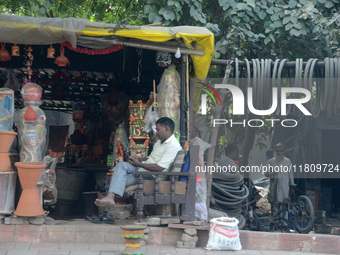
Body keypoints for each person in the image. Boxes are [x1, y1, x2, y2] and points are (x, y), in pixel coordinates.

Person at [95, 117, 182, 207]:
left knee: (117, 179)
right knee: (121, 165)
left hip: (152, 176)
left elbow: (159, 167)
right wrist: (138, 160)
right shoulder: (159, 143)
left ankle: (111, 198)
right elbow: (151, 159)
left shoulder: (173, 146)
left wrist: (139, 164)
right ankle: (110, 198)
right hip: (143, 170)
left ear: (167, 129)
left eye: (158, 130)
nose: (156, 133)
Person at [265, 143, 295, 214]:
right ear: (274, 151)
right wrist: (272, 173)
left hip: (285, 187)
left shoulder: (287, 161)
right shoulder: (270, 161)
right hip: (274, 187)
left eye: (281, 151)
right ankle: (276, 222)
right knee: (275, 205)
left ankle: (284, 223)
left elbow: (290, 174)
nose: (279, 152)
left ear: (283, 152)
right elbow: (266, 174)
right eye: (277, 151)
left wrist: (292, 186)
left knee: (285, 205)